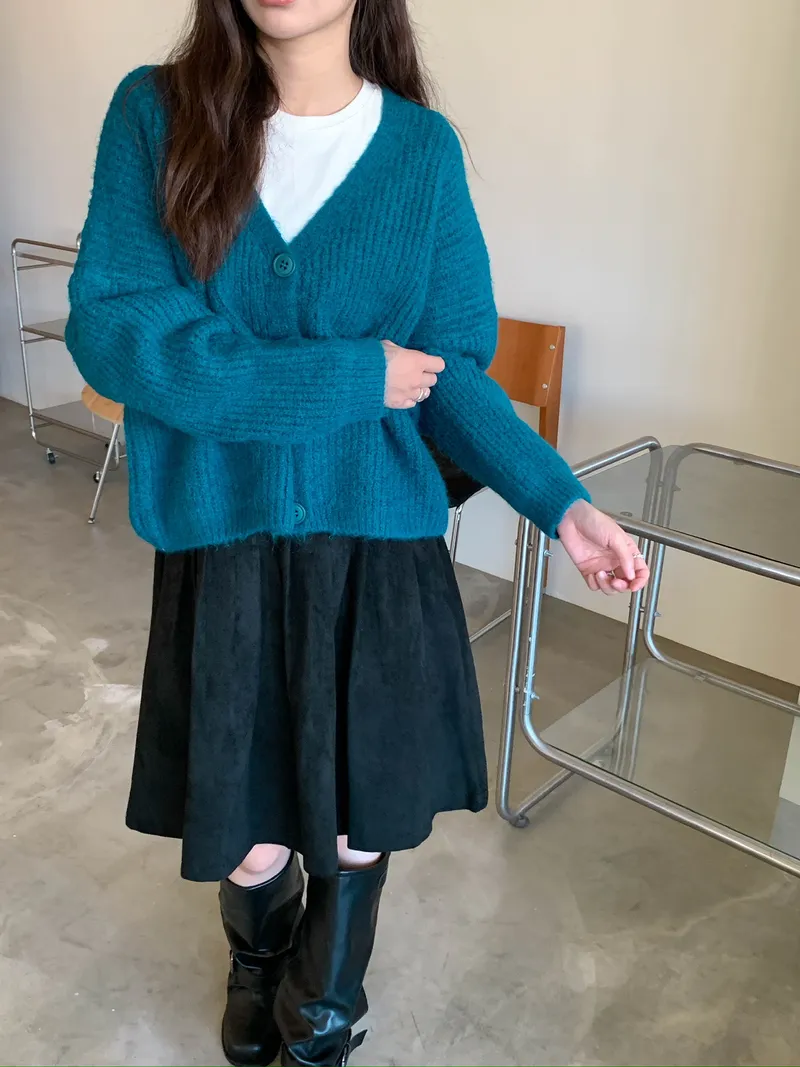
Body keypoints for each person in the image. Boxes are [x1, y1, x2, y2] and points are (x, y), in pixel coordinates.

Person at [65, 1, 650, 1064]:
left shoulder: (420, 152)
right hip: (222, 545)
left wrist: (559, 501)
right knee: (249, 841)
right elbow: (115, 329)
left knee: (350, 825)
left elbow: (448, 373)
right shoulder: (157, 114)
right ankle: (258, 957)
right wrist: (340, 376)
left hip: (376, 553)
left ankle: (323, 1007)